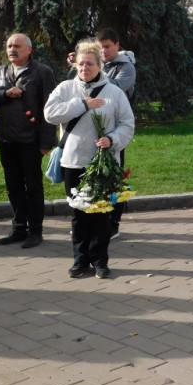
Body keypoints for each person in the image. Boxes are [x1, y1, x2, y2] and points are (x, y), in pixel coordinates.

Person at [44, 40, 135, 279]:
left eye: (90, 64)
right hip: (73, 161)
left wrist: (112, 139)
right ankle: (80, 259)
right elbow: (50, 114)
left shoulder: (114, 92)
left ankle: (100, 260)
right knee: (78, 214)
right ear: (75, 64)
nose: (84, 68)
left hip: (103, 164)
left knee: (102, 214)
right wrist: (81, 104)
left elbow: (127, 124)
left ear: (100, 65)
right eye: (81, 63)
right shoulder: (65, 88)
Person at [0, 33, 57, 248]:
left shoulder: (43, 72)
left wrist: (46, 142)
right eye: (9, 46)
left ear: (29, 49)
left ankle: (35, 231)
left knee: (33, 187)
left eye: (17, 46)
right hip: (6, 139)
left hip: (30, 141)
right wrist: (6, 93)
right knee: (13, 186)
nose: (11, 49)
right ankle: (18, 228)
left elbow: (49, 109)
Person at [96, 28, 136, 240]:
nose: (103, 51)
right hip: (95, 128)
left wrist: (96, 72)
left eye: (107, 46)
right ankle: (96, 219)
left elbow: (118, 89)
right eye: (100, 47)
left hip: (117, 130)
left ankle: (114, 223)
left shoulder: (126, 67)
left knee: (114, 177)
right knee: (96, 176)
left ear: (117, 45)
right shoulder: (97, 64)